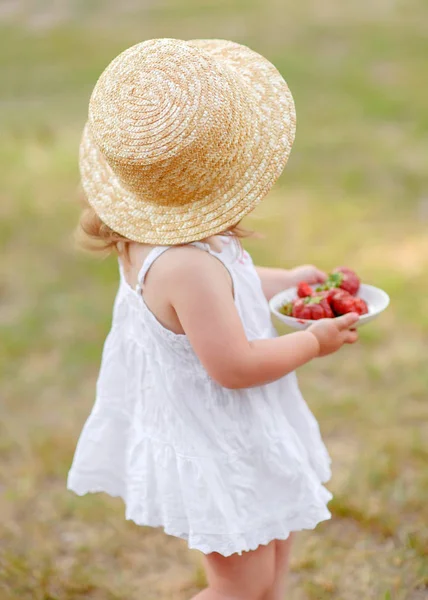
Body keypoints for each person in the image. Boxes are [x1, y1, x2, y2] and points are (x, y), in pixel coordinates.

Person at [67, 38, 359, 600]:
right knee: (239, 588)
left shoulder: (170, 234)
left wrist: (290, 280)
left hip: (244, 430)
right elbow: (234, 364)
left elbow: (232, 285)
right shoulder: (183, 265)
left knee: (270, 574)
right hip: (219, 441)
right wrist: (315, 342)